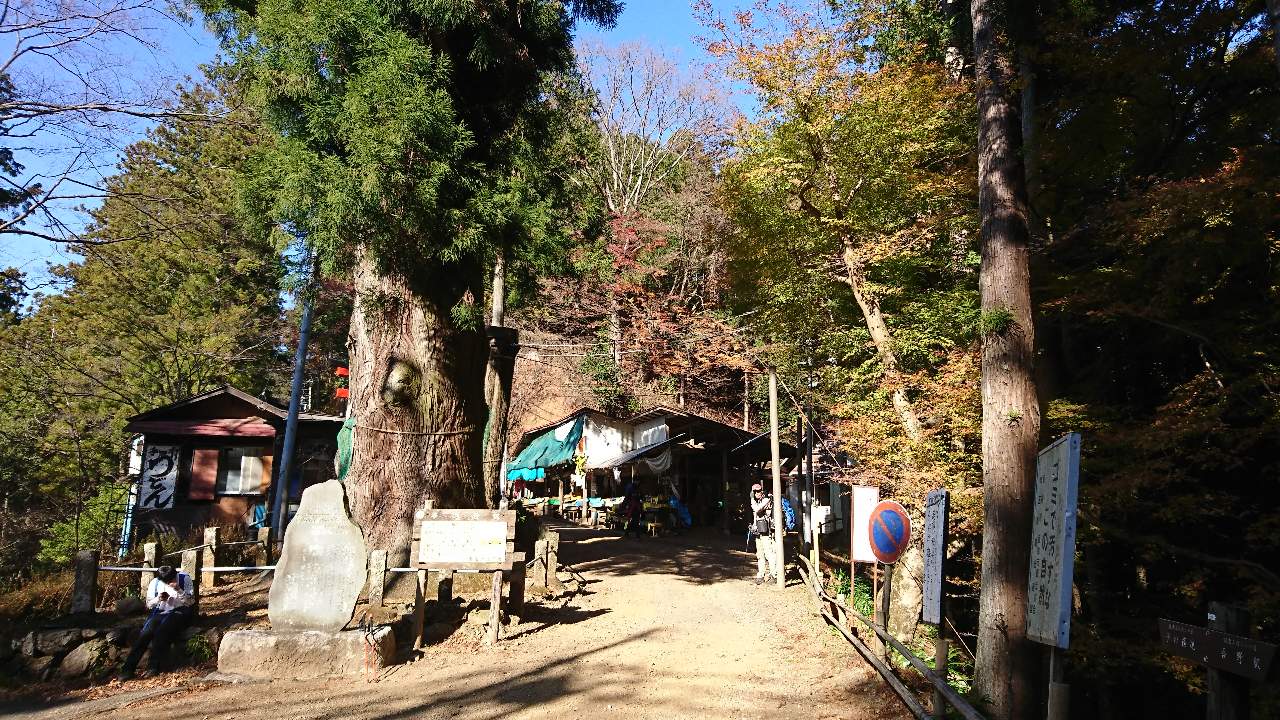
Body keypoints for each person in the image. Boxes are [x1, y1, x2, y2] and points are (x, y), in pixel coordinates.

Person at [118, 565, 195, 680]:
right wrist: (159, 598)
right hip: (160, 612)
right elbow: (149, 604)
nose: (168, 583)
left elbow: (191, 602)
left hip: (180, 612)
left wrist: (178, 589)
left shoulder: (185, 578)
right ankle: (127, 669)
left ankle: (153, 667)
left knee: (162, 632)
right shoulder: (155, 582)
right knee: (145, 634)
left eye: (170, 580)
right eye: (165, 581)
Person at [749, 482, 777, 585]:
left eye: (758, 491)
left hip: (766, 532)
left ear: (762, 491)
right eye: (754, 491)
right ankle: (761, 575)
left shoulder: (766, 500)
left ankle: (774, 575)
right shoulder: (757, 501)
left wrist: (752, 499)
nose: (757, 493)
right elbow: (756, 515)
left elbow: (757, 509)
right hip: (759, 532)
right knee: (760, 555)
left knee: (769, 554)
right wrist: (753, 526)